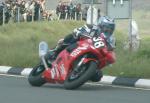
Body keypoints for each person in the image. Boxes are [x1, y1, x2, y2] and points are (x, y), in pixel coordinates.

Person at [46, 16, 116, 61]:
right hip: (80, 45)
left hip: (93, 54)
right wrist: (79, 33)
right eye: (106, 27)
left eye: (110, 29)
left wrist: (110, 52)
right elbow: (79, 30)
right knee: (73, 36)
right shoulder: (93, 28)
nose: (108, 30)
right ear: (101, 25)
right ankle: (55, 51)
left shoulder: (110, 39)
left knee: (98, 76)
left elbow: (111, 49)